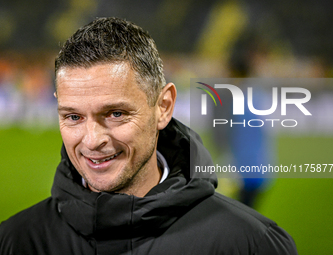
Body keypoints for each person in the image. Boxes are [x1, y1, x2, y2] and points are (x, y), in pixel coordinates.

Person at [0, 17, 298, 255]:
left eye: (115, 114)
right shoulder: (15, 241)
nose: (92, 140)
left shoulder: (253, 244)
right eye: (73, 116)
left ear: (163, 107)